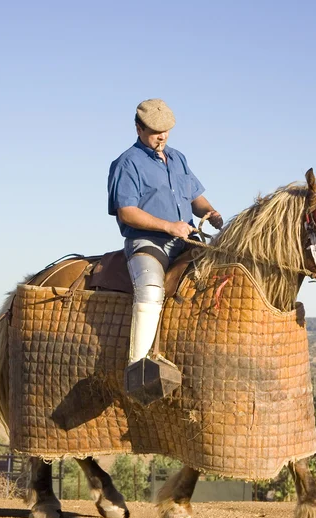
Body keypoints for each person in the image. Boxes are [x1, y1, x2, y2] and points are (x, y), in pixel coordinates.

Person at [108, 98, 223, 385]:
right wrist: (168, 226)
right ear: (138, 128)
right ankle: (137, 369)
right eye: (155, 131)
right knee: (149, 290)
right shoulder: (126, 163)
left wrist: (209, 211)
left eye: (167, 130)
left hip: (187, 241)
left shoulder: (178, 158)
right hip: (148, 243)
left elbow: (195, 197)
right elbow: (127, 211)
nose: (162, 136)